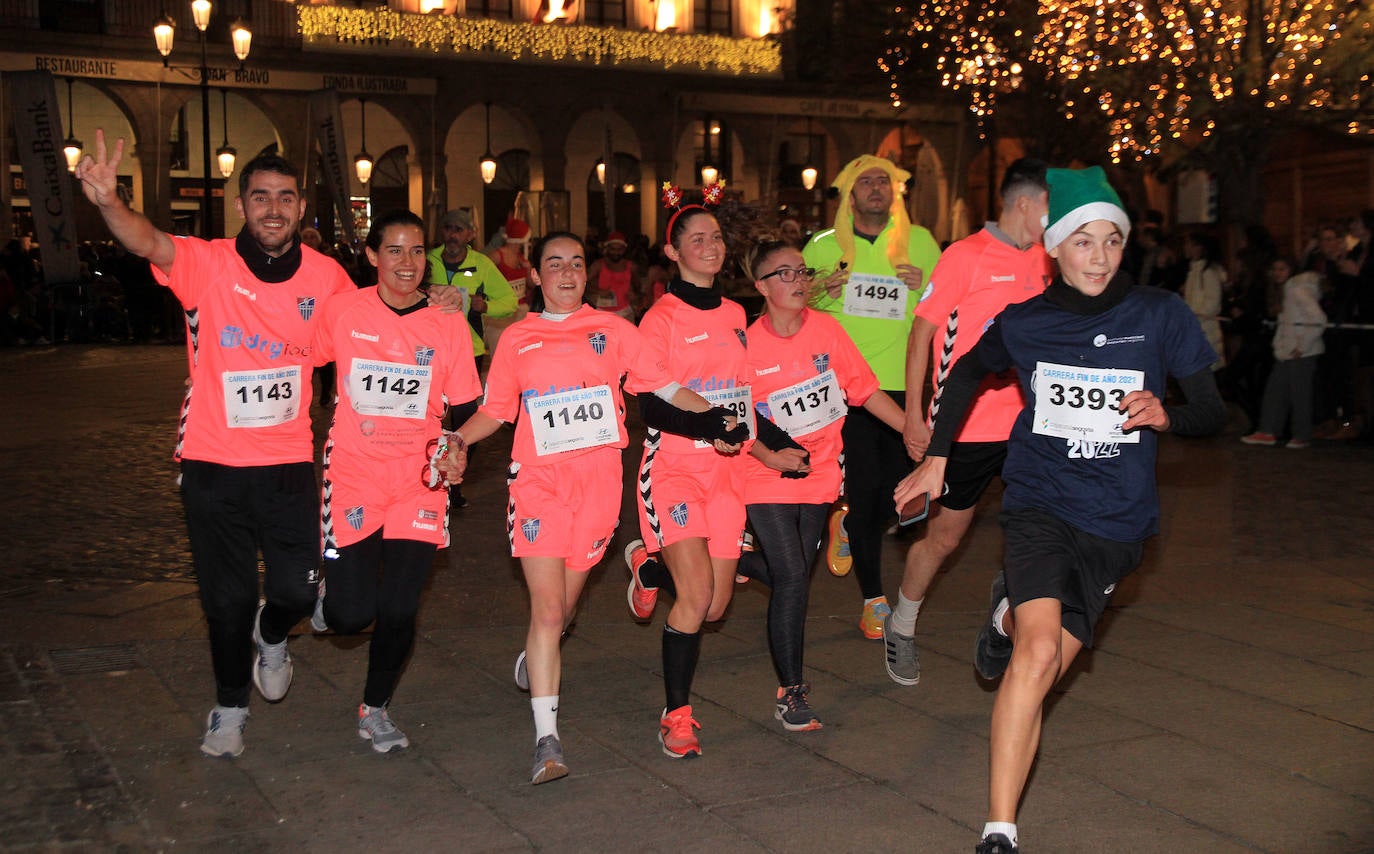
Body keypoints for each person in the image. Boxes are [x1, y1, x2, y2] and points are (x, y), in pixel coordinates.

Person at [893, 166, 1225, 853]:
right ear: (1054, 247)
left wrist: (1168, 415)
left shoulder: (1160, 315)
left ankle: (1007, 612)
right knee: (1037, 659)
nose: (1099, 256)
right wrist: (938, 454)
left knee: (1038, 654)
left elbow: (1216, 412)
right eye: (1083, 241)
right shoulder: (1025, 322)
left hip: (1118, 522)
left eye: (1111, 241)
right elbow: (965, 373)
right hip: (1040, 502)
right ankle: (999, 830)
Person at [73, 130, 355, 758]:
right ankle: (229, 708)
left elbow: (370, 329)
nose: (274, 209)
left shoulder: (329, 278)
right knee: (224, 599)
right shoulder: (208, 263)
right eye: (261, 198)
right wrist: (107, 203)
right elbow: (148, 239)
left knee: (299, 591)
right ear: (241, 206)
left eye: (285, 198)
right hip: (212, 463)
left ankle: (274, 632)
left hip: (286, 464)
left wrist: (439, 303)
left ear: (300, 206)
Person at [449, 232, 730, 781]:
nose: (567, 273)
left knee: (564, 609)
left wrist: (715, 415)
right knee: (548, 609)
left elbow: (665, 387)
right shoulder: (517, 338)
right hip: (538, 485)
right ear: (536, 276)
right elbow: (498, 409)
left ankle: (540, 652)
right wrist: (458, 438)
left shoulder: (615, 332)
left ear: (588, 273)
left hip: (598, 490)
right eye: (554, 264)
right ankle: (547, 740)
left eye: (576, 263)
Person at [309, 210, 482, 752]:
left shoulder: (446, 319)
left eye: (416, 252)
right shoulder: (342, 311)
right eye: (395, 251)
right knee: (349, 615)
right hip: (355, 475)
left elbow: (467, 402)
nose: (407, 263)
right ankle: (327, 594)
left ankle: (375, 706)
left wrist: (458, 450)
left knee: (402, 605)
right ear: (372, 256)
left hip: (419, 479)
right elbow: (299, 356)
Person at [883, 158, 1052, 687]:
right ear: (1025, 204)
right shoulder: (967, 255)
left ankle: (1010, 607)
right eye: (1051, 208)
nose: (1057, 219)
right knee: (945, 539)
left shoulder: (1050, 258)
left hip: (1032, 423)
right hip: (969, 426)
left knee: (1047, 525)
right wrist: (915, 414)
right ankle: (901, 624)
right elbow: (921, 335)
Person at [739, 239, 906, 729]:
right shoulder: (746, 344)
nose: (797, 281)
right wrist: (770, 453)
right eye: (784, 274)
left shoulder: (828, 330)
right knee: (792, 576)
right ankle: (791, 692)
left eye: (801, 271)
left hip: (819, 474)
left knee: (790, 574)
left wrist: (912, 433)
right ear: (761, 287)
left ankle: (729, 559)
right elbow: (735, 414)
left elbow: (865, 390)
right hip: (763, 471)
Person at [622, 192, 756, 759]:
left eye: (716, 238)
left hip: (728, 474)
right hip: (674, 469)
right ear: (674, 252)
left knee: (716, 606)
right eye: (696, 239)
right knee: (696, 596)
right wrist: (709, 421)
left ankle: (648, 563)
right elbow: (648, 403)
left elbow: (744, 397)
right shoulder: (659, 320)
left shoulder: (734, 315)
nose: (709, 246)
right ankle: (676, 715)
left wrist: (762, 439)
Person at [803, 155, 942, 639]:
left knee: (901, 495)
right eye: (866, 182)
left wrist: (926, 287)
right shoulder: (822, 246)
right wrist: (820, 288)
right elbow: (791, 303)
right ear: (848, 193)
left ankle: (848, 525)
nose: (876, 189)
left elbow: (948, 303)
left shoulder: (921, 242)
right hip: (845, 390)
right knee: (866, 489)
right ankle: (873, 599)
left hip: (906, 384)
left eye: (884, 181)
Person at [1240, 257, 1326, 448]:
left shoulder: (1297, 290)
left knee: (1299, 394)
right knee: (1275, 391)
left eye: (1282, 269)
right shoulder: (1284, 291)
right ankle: (1268, 430)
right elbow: (1284, 324)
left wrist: (1302, 347)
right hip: (1288, 351)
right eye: (1275, 269)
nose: (1278, 273)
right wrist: (1279, 347)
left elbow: (1318, 319)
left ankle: (1301, 435)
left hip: (1302, 353)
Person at [425, 208, 517, 368]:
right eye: (448, 228)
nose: (452, 235)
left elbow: (510, 301)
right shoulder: (427, 259)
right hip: (431, 346)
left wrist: (486, 306)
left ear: (470, 235)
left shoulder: (482, 264)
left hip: (469, 349)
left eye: (459, 230)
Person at [485, 216, 533, 353]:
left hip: (520, 310)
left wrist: (528, 268)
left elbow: (531, 284)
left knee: (520, 354)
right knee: (501, 353)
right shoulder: (496, 256)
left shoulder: (521, 258)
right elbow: (481, 276)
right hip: (501, 312)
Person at [1182, 231, 1227, 372]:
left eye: (1188, 244)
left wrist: (1195, 315)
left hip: (1206, 328)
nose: (1185, 247)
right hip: (1195, 327)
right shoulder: (1194, 271)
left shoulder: (1208, 273)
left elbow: (1212, 304)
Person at [588, 231, 640, 320]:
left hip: (625, 313)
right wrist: (596, 291)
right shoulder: (598, 265)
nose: (616, 252)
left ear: (624, 249)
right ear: (607, 248)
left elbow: (638, 286)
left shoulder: (631, 266)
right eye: (613, 249)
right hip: (602, 313)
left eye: (619, 249)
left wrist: (634, 294)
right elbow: (582, 284)